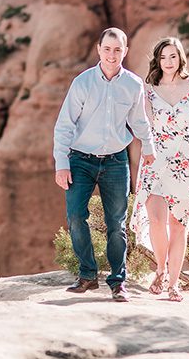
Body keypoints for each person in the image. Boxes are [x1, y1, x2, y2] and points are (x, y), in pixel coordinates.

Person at [53, 26, 154, 302]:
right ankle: (87, 275)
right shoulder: (82, 83)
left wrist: (149, 148)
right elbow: (64, 125)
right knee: (75, 217)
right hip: (80, 160)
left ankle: (117, 282)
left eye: (118, 49)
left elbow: (139, 121)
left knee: (117, 225)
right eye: (107, 49)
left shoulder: (133, 84)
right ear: (99, 50)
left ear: (125, 52)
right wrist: (61, 163)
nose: (112, 55)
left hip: (115, 162)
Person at [132, 36, 189, 302]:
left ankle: (174, 284)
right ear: (157, 60)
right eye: (163, 57)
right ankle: (160, 269)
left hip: (185, 158)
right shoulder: (148, 88)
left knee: (178, 225)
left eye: (172, 56)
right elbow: (144, 125)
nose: (168, 62)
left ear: (180, 57)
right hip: (155, 157)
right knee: (156, 221)